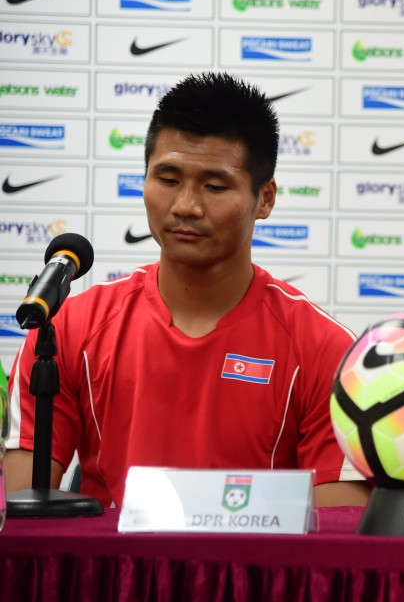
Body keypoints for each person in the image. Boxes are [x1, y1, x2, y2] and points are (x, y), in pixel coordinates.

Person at [4, 72, 370, 508]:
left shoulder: (324, 348)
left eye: (214, 186)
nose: (185, 206)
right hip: (111, 575)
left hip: (257, 576)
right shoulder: (67, 327)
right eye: (168, 179)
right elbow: (21, 511)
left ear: (265, 199)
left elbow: (339, 529)